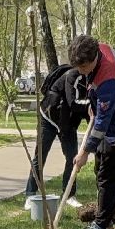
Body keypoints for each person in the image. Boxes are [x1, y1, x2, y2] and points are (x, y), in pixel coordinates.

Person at [69, 34, 115, 229]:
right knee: (100, 170)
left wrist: (84, 152)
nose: (81, 72)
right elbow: (96, 93)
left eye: (83, 67)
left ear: (94, 58)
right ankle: (108, 209)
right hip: (111, 117)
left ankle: (102, 224)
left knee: (109, 175)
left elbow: (102, 123)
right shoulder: (97, 49)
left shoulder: (109, 77)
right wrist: (94, 102)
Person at [24, 61, 91, 207]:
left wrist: (93, 118)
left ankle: (69, 195)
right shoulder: (72, 75)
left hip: (68, 124)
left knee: (73, 157)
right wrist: (90, 106)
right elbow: (73, 102)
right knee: (40, 156)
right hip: (49, 117)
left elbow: (89, 107)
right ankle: (30, 194)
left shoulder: (93, 78)